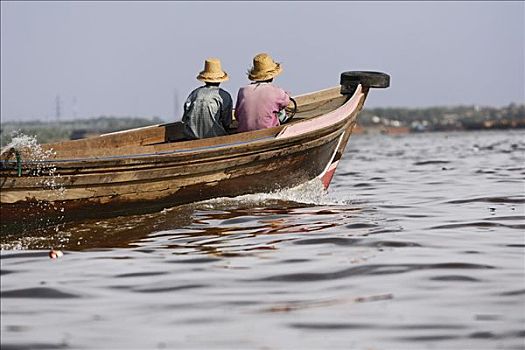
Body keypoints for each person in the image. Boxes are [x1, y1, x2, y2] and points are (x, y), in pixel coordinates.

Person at [235, 53, 291, 132]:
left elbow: (237, 115)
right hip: (268, 131)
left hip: (243, 132)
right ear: (272, 76)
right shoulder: (277, 91)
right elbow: (286, 102)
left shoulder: (243, 90)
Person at [182, 58, 233, 139]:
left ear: (205, 79)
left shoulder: (194, 94)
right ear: (220, 80)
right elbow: (227, 123)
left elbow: (185, 119)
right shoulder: (224, 96)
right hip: (216, 137)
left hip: (191, 138)